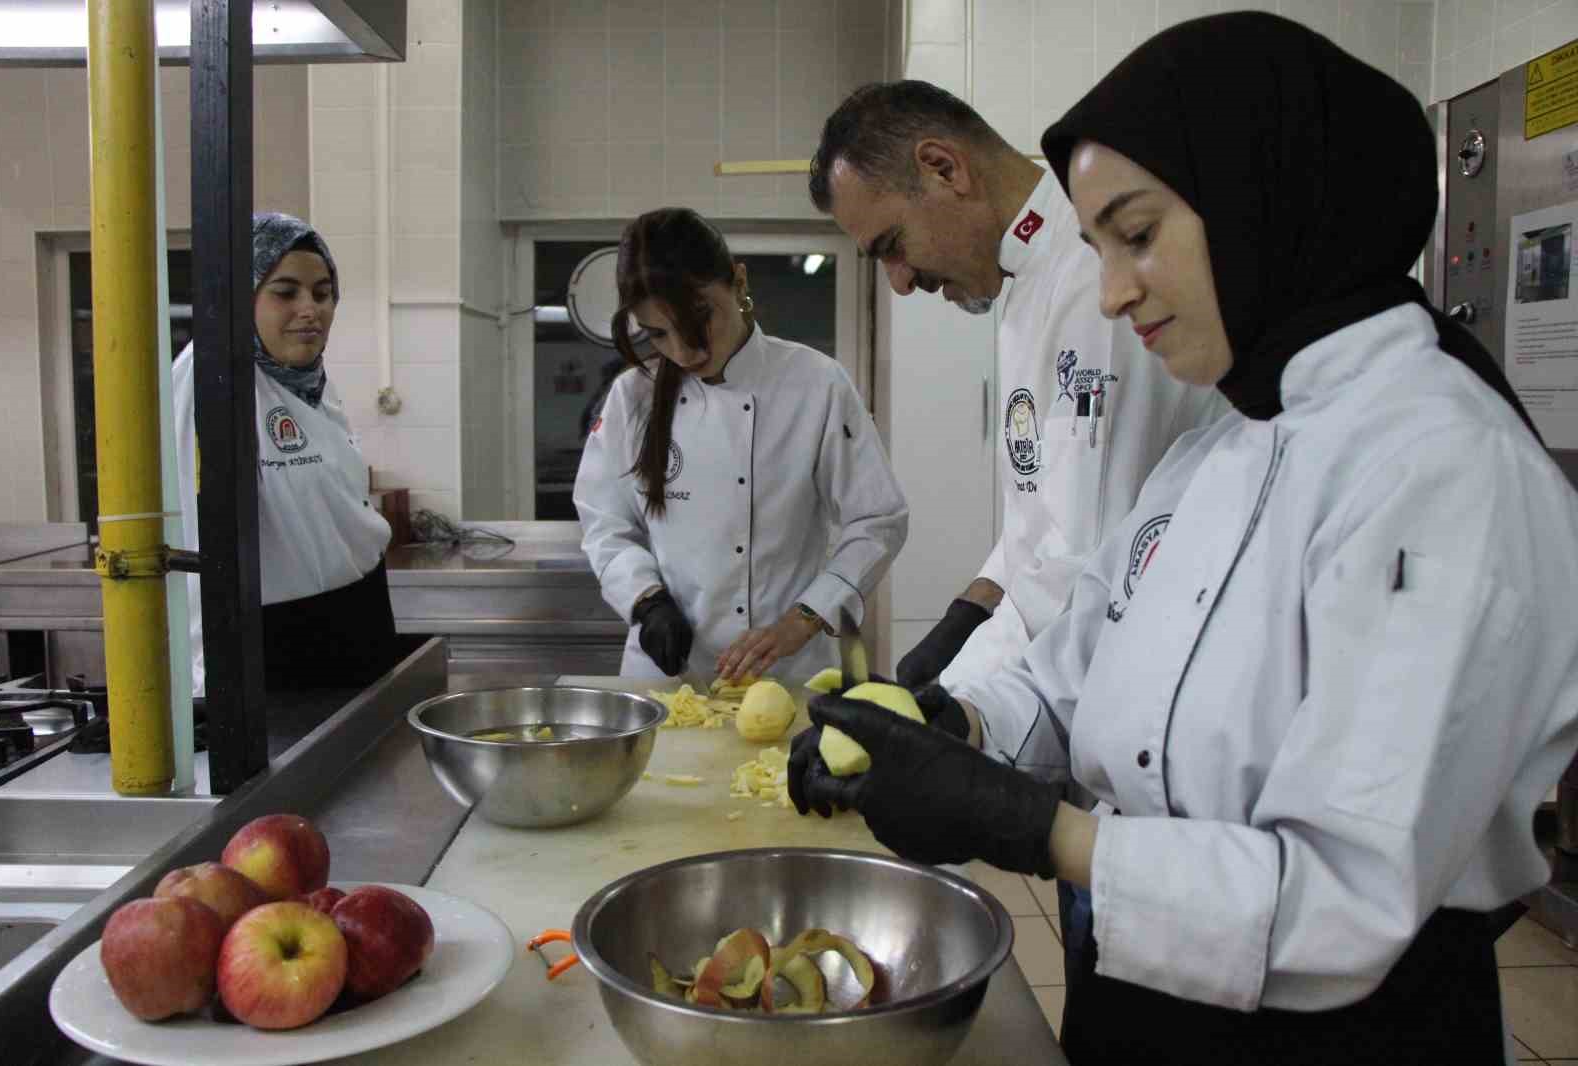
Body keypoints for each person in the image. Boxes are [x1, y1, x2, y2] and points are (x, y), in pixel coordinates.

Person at [790, 14, 1578, 1065]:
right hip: (1145, 986)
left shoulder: (1442, 463)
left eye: (1138, 234)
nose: (1112, 291)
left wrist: (1039, 831)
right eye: (1102, 245)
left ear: (1266, 193)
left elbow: (1342, 899)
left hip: (1337, 1034)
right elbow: (1078, 662)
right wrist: (957, 725)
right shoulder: (1219, 446)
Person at [808, 81, 1228, 759]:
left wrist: (956, 708)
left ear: (944, 168)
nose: (900, 282)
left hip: (1141, 707)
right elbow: (1039, 513)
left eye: (892, 244)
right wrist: (968, 613)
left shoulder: (1093, 278)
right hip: (1087, 698)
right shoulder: (1024, 282)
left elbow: (1085, 555)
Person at [574, 208, 907, 683]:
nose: (685, 352)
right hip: (669, 677)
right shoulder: (633, 395)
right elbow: (605, 524)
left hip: (788, 673)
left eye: (699, 319)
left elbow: (878, 520)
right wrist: (647, 601)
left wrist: (805, 618)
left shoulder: (816, 384)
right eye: (657, 334)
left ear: (739, 282)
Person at [175, 212, 398, 695]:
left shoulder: (307, 380)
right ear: (240, 295)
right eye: (285, 291)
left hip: (356, 620)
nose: (309, 309)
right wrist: (204, 681)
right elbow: (193, 538)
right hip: (275, 644)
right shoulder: (210, 380)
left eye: (322, 293)